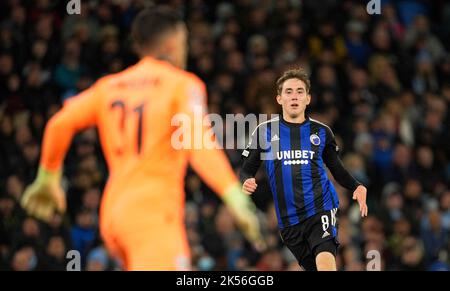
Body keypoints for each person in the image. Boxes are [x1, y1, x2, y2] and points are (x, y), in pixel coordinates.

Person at [20, 6, 265, 271]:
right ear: (172, 43)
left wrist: (48, 176)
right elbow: (196, 139)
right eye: (184, 42)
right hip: (152, 216)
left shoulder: (110, 86)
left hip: (114, 214)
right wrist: (233, 195)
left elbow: (59, 123)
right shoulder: (181, 84)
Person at [240, 68, 368, 271]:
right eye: (288, 91)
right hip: (289, 222)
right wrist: (246, 180)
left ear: (308, 99)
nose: (294, 96)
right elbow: (246, 170)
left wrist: (357, 186)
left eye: (300, 91)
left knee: (325, 258)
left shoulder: (321, 132)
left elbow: (336, 168)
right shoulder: (265, 131)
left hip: (321, 208)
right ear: (279, 98)